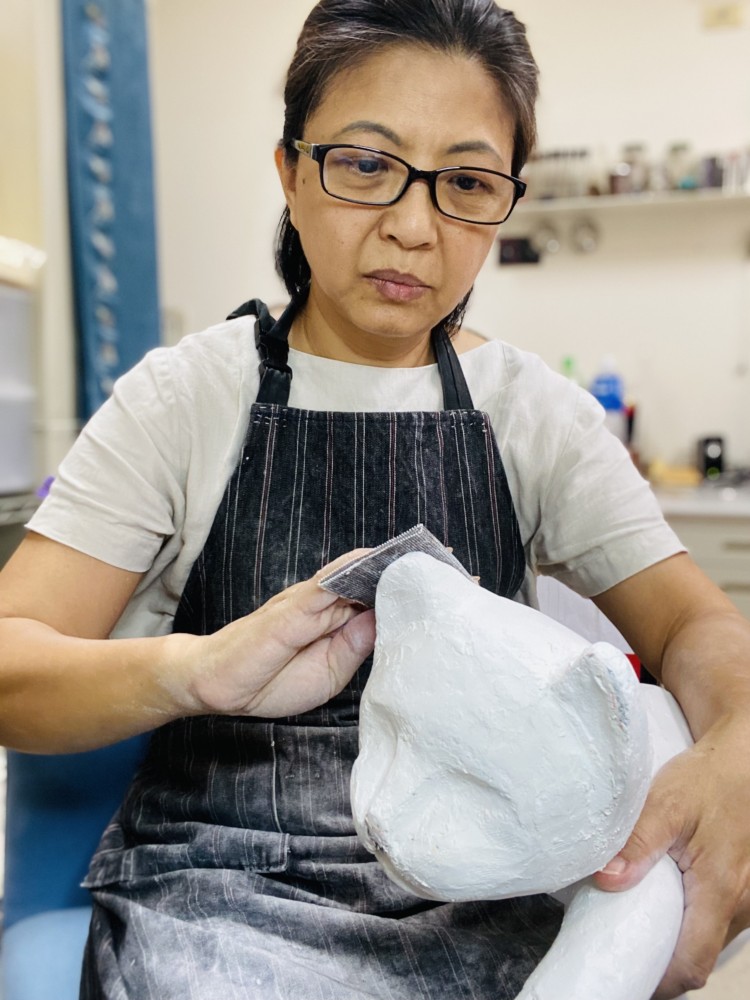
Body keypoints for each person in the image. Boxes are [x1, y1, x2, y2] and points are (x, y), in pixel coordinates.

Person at [0, 0, 748, 997]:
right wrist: (198, 672)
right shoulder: (184, 401)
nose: (412, 226)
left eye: (467, 183)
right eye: (364, 164)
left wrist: (737, 744)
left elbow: (696, 623)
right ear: (291, 171)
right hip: (224, 895)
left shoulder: (532, 413)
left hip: (484, 891)